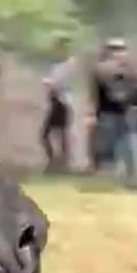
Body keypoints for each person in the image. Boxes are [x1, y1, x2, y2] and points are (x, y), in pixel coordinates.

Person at [88, 37, 137, 174]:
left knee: (125, 143)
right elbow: (95, 92)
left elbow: (134, 90)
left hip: (123, 112)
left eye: (121, 49)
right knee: (107, 143)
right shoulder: (101, 69)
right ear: (108, 51)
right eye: (114, 49)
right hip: (106, 112)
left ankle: (129, 171)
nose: (118, 53)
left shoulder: (129, 71)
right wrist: (91, 113)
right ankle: (109, 171)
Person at [40, 37, 77, 172]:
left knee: (61, 134)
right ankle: (57, 161)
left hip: (63, 102)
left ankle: (63, 163)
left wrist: (50, 83)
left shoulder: (69, 64)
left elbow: (59, 82)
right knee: (48, 135)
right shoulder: (55, 65)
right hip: (55, 101)